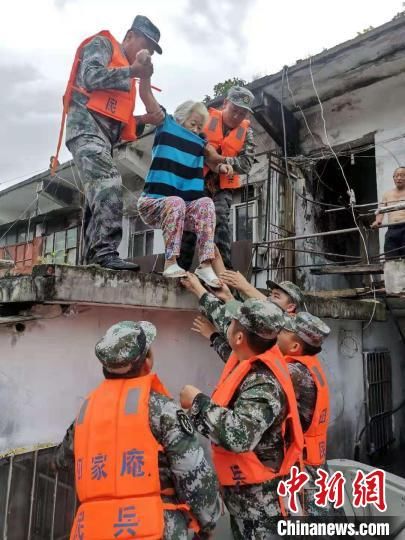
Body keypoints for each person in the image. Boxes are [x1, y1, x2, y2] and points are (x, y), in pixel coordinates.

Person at [54, 320, 221, 539]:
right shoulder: (162, 410)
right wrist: (209, 522)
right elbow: (194, 477)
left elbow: (60, 461)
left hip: (92, 530)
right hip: (152, 528)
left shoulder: (85, 413)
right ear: (147, 361)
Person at [179, 293, 305, 539]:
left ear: (238, 337)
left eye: (233, 323)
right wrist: (197, 288)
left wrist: (197, 402)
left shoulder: (263, 383)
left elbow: (240, 436)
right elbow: (225, 323)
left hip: (262, 509)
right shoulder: (252, 357)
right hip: (245, 498)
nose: (228, 324)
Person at [53, 15, 165, 270]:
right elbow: (91, 77)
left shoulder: (129, 79)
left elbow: (122, 121)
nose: (147, 53)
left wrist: (147, 118)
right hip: (85, 128)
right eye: (145, 45)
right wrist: (134, 71)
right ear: (129, 37)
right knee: (109, 182)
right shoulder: (103, 45)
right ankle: (106, 253)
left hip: (104, 139)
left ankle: (94, 259)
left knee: (96, 200)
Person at [138, 98, 232, 285]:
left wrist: (221, 167)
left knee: (205, 203)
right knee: (176, 201)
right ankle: (170, 262)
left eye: (200, 126)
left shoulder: (200, 142)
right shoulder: (167, 124)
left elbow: (212, 158)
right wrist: (145, 76)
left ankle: (205, 265)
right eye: (193, 124)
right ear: (181, 119)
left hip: (182, 210)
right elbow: (149, 102)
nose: (196, 130)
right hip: (152, 204)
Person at [179, 86, 257, 271]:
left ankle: (226, 271)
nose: (237, 116)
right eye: (234, 110)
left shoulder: (247, 133)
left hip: (223, 185)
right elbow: (188, 144)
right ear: (225, 103)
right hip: (198, 178)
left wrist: (218, 158)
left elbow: (246, 164)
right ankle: (181, 267)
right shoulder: (204, 121)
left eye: (243, 113)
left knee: (221, 221)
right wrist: (209, 156)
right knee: (190, 220)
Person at [219, 272, 304, 314]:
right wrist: (217, 257)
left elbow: (270, 307)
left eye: (276, 296)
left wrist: (246, 286)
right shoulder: (259, 309)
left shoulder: (290, 327)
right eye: (271, 294)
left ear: (290, 307)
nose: (270, 298)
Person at [371, 166, 405, 259]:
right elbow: (381, 210)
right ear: (393, 178)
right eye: (396, 176)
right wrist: (378, 221)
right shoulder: (387, 194)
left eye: (402, 175)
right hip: (392, 229)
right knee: (390, 258)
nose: (399, 178)